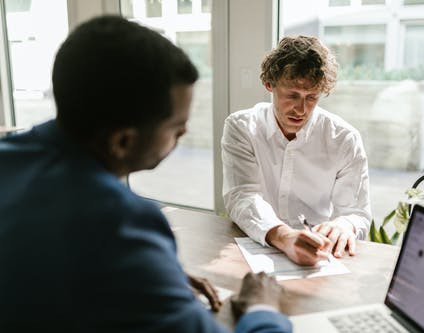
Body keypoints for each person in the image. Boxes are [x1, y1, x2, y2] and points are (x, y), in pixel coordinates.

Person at [0, 16, 291, 333]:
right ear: (122, 141)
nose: (185, 131)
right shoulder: (123, 223)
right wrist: (263, 308)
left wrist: (150, 275)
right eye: (176, 128)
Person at [222, 35, 371, 266]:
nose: (301, 109)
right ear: (269, 84)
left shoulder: (344, 139)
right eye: (292, 95)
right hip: (254, 249)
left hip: (319, 254)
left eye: (311, 97)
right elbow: (242, 196)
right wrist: (284, 236)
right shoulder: (242, 127)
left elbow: (357, 213)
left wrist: (344, 225)